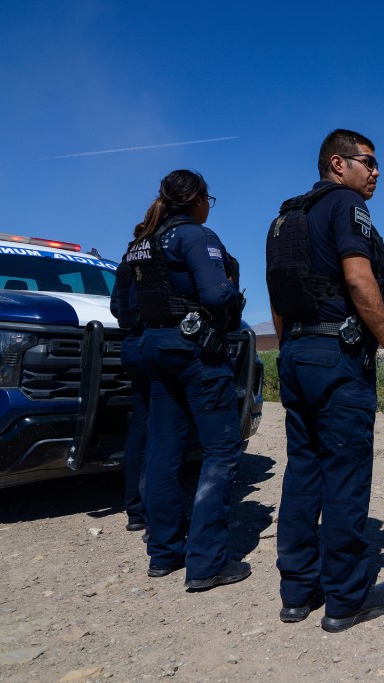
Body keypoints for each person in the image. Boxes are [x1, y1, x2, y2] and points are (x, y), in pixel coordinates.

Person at [267, 129, 384, 633]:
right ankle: (347, 598)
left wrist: (291, 353)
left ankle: (297, 591)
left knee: (303, 473)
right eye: (368, 162)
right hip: (338, 355)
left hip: (295, 354)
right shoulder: (346, 205)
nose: (375, 173)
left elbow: (278, 299)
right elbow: (357, 278)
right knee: (345, 474)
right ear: (338, 164)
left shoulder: (284, 219)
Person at [122, 169, 249, 592]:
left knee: (163, 449)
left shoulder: (141, 243)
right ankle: (207, 562)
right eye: (207, 199)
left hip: (154, 349)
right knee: (221, 451)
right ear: (197, 199)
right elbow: (215, 295)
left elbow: (123, 304)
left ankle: (164, 552)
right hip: (193, 350)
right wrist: (230, 291)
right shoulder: (196, 236)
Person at [110, 254, 149, 536]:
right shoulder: (164, 251)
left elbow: (116, 306)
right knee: (165, 433)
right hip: (156, 342)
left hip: (131, 345)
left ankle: (136, 510)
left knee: (140, 428)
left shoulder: (126, 262)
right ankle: (155, 513)